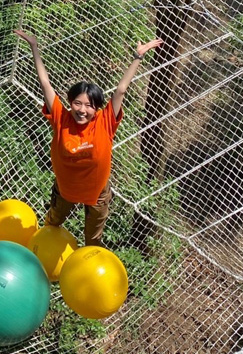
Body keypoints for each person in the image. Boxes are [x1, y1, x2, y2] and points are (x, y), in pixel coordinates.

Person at [14, 29, 162, 247]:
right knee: (52, 223)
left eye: (89, 105)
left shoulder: (105, 122)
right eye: (77, 103)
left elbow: (121, 90)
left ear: (97, 108)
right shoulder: (61, 118)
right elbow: (45, 84)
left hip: (97, 195)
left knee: (93, 240)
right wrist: (35, 48)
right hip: (65, 190)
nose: (82, 110)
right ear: (70, 102)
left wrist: (137, 57)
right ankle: (40, 255)